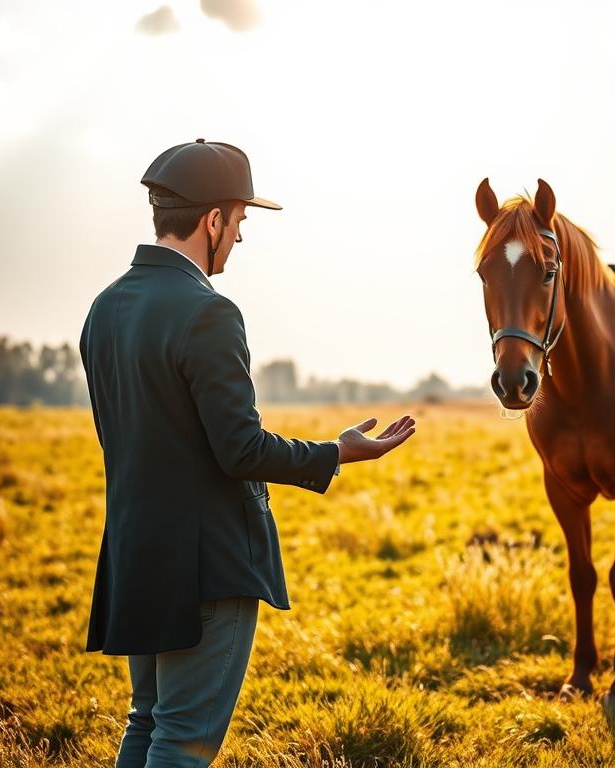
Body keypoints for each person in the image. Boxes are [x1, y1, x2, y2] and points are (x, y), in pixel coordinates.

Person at [78, 139, 415, 768]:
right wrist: (335, 453)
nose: (238, 238)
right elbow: (240, 449)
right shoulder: (208, 313)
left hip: (135, 555)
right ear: (212, 221)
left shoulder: (104, 309)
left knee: (147, 722)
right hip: (205, 566)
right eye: (239, 223)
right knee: (182, 740)